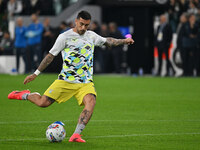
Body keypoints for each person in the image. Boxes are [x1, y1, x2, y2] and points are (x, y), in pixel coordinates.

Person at [8, 10, 134, 143]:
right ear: (76, 21)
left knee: (91, 102)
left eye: (87, 25)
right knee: (42, 103)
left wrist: (124, 41)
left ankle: (76, 135)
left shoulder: (91, 36)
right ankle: (25, 95)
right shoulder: (64, 37)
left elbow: (108, 41)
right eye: (81, 24)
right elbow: (50, 56)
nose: (84, 28)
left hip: (85, 82)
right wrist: (35, 73)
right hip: (65, 80)